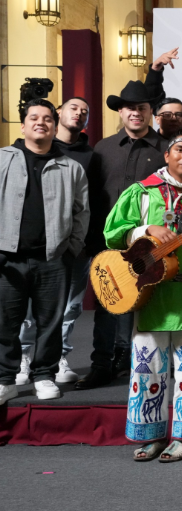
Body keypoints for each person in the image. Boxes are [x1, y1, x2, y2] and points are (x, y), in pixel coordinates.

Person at [103, 128, 182, 462]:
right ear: (166, 155)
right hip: (150, 294)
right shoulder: (142, 192)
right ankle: (151, 437)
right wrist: (145, 229)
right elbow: (112, 233)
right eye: (180, 149)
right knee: (146, 367)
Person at [77, 81, 168, 391]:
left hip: (147, 242)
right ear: (121, 111)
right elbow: (91, 196)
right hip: (108, 240)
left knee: (144, 301)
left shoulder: (166, 150)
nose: (136, 113)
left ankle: (136, 363)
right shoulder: (102, 148)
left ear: (150, 112)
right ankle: (101, 364)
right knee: (107, 301)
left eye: (142, 108)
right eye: (130, 108)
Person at [0, 99, 89, 406]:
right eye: (34, 118)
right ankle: (5, 379)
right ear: (22, 125)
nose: (41, 122)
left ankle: (44, 375)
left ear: (54, 126)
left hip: (53, 259)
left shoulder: (71, 168)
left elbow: (82, 213)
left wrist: (70, 250)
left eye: (48, 118)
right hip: (7, 260)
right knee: (5, 323)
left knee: (50, 323)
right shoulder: (3, 160)